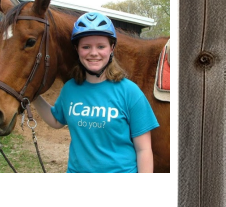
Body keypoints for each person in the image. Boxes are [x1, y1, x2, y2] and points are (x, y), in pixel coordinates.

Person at [33, 12, 159, 173]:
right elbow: (56, 121)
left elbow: (144, 150)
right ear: (77, 49)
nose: (94, 53)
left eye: (101, 46)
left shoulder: (130, 92)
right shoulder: (70, 89)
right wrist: (34, 96)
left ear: (111, 48)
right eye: (86, 47)